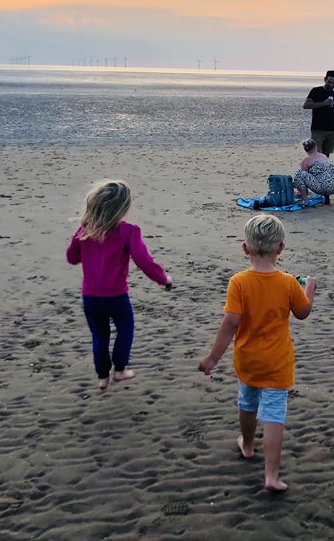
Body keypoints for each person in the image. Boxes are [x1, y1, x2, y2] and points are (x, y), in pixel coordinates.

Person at [198, 214, 317, 492]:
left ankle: (248, 445)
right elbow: (302, 313)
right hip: (277, 361)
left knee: (247, 402)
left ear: (245, 248)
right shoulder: (288, 282)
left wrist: (213, 357)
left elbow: (231, 322)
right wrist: (309, 290)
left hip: (247, 358)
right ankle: (271, 475)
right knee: (274, 414)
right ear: (280, 249)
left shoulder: (239, 282)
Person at [66, 179, 173, 390]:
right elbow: (144, 261)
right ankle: (120, 370)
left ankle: (102, 377)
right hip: (116, 297)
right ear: (123, 209)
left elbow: (71, 257)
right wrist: (163, 279)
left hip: (91, 297)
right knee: (125, 329)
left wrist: (84, 245)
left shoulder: (86, 229)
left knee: (100, 336)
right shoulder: (128, 231)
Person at [302, 70, 334, 156]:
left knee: (326, 157)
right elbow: (306, 105)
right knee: (315, 155)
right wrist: (324, 103)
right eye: (329, 82)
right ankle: (312, 169)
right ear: (325, 79)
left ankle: (324, 170)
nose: (331, 85)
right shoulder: (316, 91)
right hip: (318, 130)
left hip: (332, 130)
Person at [293, 138, 334, 203]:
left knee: (299, 173)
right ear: (315, 147)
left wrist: (297, 188)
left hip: (323, 187)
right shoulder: (324, 156)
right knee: (324, 176)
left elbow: (302, 178)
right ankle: (327, 198)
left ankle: (304, 199)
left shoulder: (307, 160)